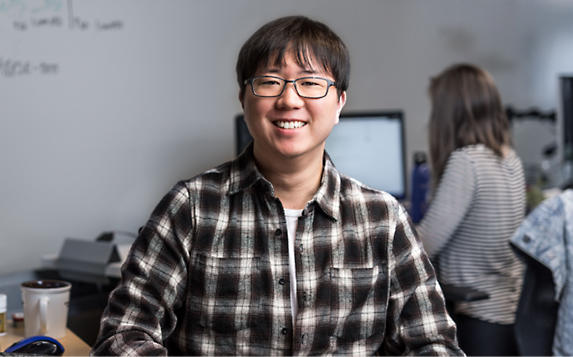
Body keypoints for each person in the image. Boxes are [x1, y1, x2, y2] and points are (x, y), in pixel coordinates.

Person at [91, 16, 463, 356]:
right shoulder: (191, 208)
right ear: (244, 98)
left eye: (310, 83)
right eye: (269, 82)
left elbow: (433, 344)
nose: (289, 100)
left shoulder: (383, 219)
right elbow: (122, 336)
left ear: (339, 104)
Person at [416, 64, 526, 357]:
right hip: (512, 313)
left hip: (478, 316)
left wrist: (383, 225)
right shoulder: (508, 156)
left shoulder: (467, 161)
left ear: (449, 113)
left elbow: (424, 244)